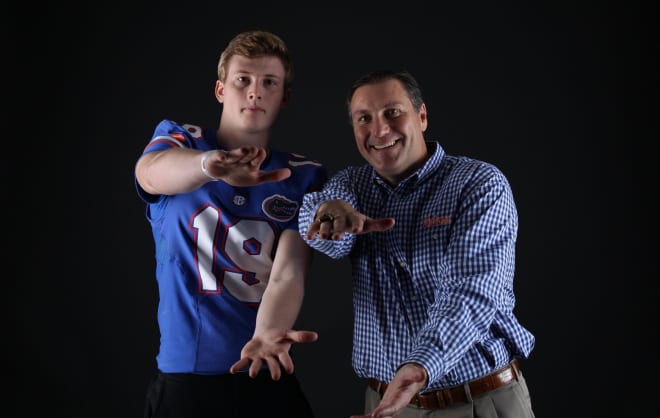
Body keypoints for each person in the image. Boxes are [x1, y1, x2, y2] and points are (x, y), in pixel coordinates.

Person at [298, 70, 536, 418]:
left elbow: (471, 294)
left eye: (393, 112)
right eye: (364, 119)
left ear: (421, 116)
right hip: (387, 407)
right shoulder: (351, 186)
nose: (379, 130)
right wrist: (328, 214)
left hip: (478, 401)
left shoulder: (478, 184)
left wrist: (419, 367)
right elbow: (323, 224)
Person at [134, 30, 327, 418]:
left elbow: (289, 271)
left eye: (269, 82)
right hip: (188, 376)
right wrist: (210, 167)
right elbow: (150, 174)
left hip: (263, 365)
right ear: (221, 89)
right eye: (243, 80)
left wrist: (267, 334)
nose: (254, 91)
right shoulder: (179, 139)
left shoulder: (303, 175)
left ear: (284, 97)